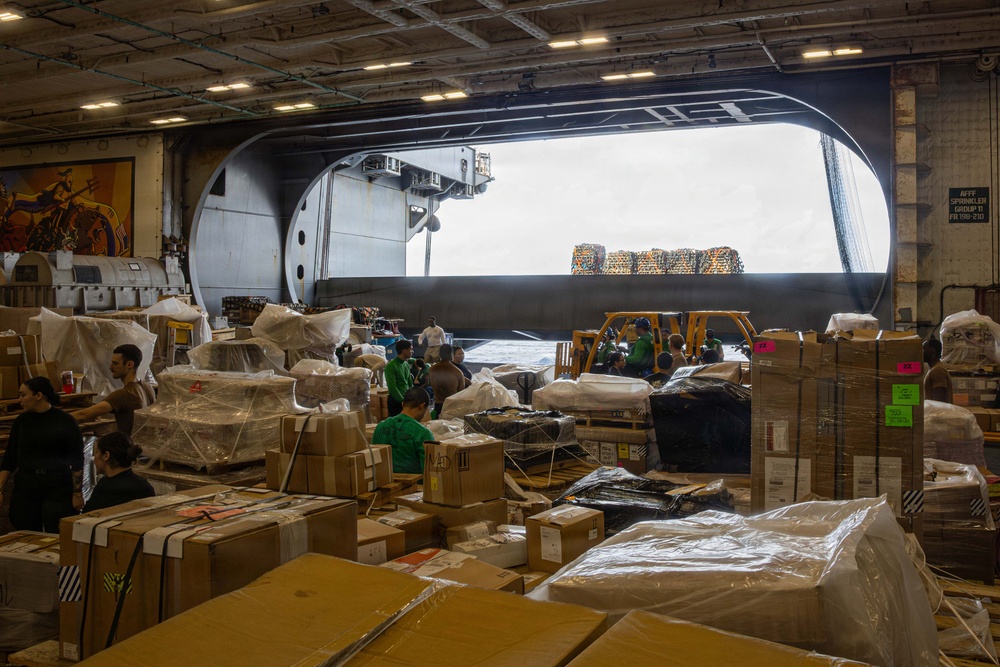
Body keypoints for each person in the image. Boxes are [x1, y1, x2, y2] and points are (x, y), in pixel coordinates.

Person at [0, 377, 84, 532]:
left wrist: (77, 493)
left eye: (23, 395)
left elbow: (77, 460)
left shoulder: (65, 421)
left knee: (56, 528)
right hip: (27, 484)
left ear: (38, 395)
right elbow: (9, 458)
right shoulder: (21, 421)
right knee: (24, 527)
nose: (20, 400)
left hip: (57, 485)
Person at [72, 344, 155, 435]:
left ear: (129, 364)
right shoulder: (148, 388)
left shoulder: (124, 394)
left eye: (115, 363)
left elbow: (83, 415)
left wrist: (57, 419)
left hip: (127, 447)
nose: (110, 367)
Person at [83, 432, 155, 512]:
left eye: (96, 452)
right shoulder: (144, 486)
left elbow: (85, 516)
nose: (94, 458)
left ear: (106, 455)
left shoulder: (105, 487)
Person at [371, 387, 434, 475]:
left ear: (402, 404)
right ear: (422, 406)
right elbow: (430, 472)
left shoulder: (380, 426)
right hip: (414, 487)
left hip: (382, 483)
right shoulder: (423, 434)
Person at [428, 344, 470, 418]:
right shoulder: (457, 371)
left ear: (439, 354)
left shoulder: (432, 369)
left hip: (438, 405)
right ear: (451, 355)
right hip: (452, 406)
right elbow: (461, 392)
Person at [385, 340, 414, 417]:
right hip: (396, 401)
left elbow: (410, 383)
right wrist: (402, 400)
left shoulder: (406, 364)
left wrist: (412, 397)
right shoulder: (391, 366)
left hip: (406, 400)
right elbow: (392, 387)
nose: (412, 351)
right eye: (410, 349)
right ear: (404, 351)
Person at [923, 338, 953, 403]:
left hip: (937, 413)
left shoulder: (937, 370)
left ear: (931, 350)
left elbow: (940, 401)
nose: (922, 352)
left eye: (924, 348)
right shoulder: (934, 369)